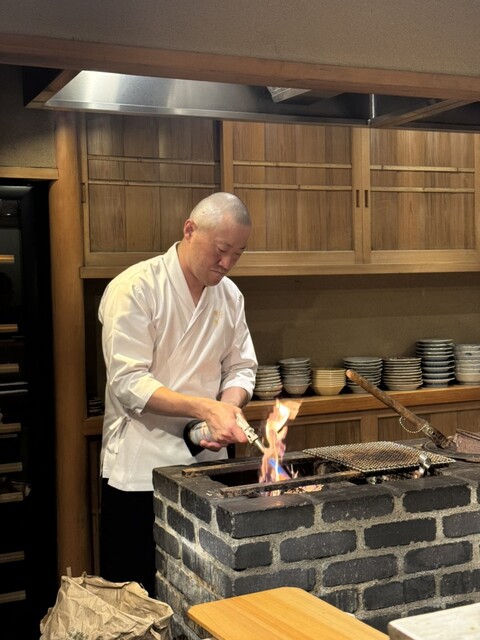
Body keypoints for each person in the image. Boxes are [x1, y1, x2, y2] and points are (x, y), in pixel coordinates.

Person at [98, 192, 258, 596]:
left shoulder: (230, 295)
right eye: (221, 250)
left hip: (207, 465)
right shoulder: (136, 287)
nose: (227, 263)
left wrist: (227, 409)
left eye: (237, 254)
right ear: (189, 230)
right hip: (140, 469)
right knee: (139, 598)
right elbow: (128, 381)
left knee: (204, 591)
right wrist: (206, 409)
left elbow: (242, 367)